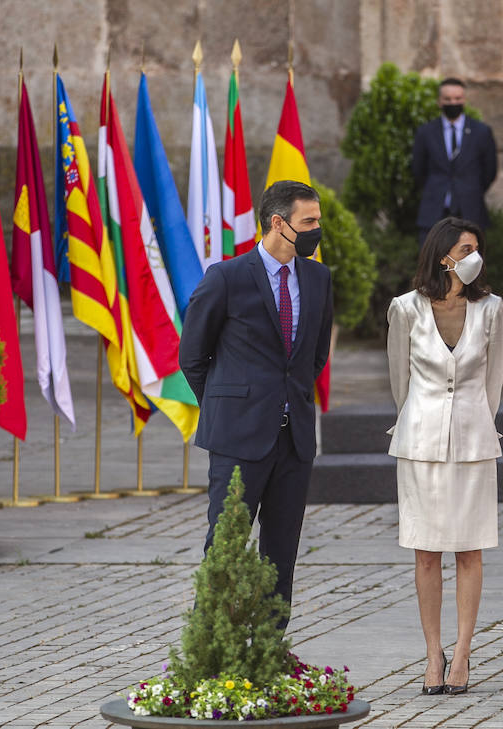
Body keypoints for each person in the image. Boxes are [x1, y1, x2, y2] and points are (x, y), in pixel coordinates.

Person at [179, 180, 334, 632]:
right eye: (309, 222)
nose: (316, 230)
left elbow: (314, 355)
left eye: (317, 221)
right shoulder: (226, 278)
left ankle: (268, 652)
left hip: (295, 439)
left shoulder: (319, 278)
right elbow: (193, 355)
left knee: (281, 552)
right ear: (278, 223)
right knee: (226, 545)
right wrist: (229, 407)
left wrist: (294, 398)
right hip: (238, 439)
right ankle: (209, 653)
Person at [387, 217, 503, 696]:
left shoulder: (491, 308)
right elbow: (401, 380)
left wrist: (477, 422)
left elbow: (494, 379)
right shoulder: (406, 308)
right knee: (426, 551)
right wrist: (416, 420)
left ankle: (462, 653)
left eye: (477, 247)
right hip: (420, 443)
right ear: (443, 256)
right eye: (465, 247)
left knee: (471, 549)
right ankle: (432, 652)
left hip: (475, 442)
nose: (474, 255)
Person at [412, 78, 498, 247]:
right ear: (439, 101)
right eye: (448, 99)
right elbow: (418, 169)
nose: (453, 103)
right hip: (434, 211)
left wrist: (469, 189)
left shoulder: (481, 132)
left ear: (464, 100)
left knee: (469, 267)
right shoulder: (426, 132)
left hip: (470, 211)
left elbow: (489, 170)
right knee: (432, 266)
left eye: (458, 99)